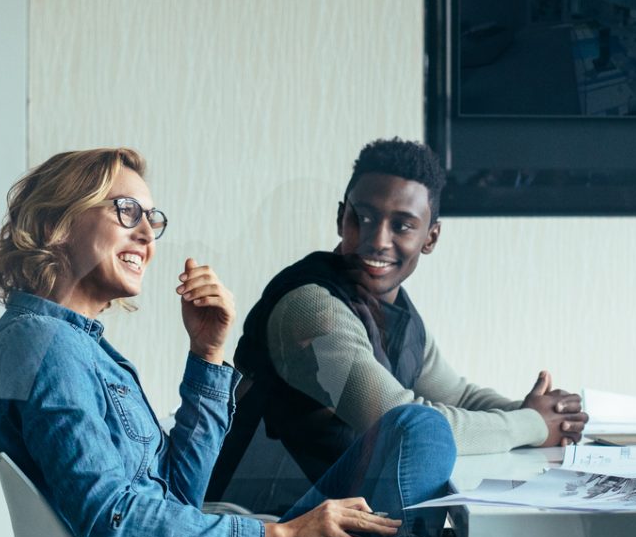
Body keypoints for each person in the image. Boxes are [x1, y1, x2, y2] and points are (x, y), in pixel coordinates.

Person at [0, 148, 456, 537]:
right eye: (126, 211)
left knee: (417, 428)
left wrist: (207, 353)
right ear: (57, 221)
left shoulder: (82, 348)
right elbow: (111, 519)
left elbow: (180, 495)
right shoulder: (44, 344)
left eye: (152, 218)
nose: (147, 234)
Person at [231, 138, 586, 484]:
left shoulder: (393, 308)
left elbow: (457, 396)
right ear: (342, 218)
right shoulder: (311, 308)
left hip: (337, 519)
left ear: (430, 238)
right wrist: (533, 424)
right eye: (363, 218)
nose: (378, 239)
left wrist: (543, 414)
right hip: (272, 526)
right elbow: (403, 424)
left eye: (401, 225)